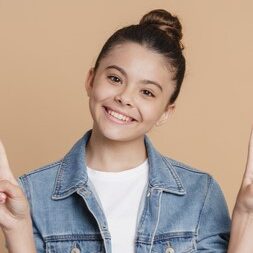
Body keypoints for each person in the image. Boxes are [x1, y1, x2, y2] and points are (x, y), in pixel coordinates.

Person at [0, 9, 252, 253]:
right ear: (91, 79)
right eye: (115, 78)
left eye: (147, 92)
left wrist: (247, 216)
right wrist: (17, 230)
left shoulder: (200, 194)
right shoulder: (32, 192)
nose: (124, 98)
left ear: (166, 112)